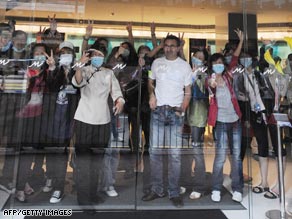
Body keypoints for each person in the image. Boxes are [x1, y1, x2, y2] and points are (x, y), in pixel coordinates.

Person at [142, 34, 192, 208]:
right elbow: (150, 81)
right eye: (167, 45)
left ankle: (174, 192)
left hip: (175, 113)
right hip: (158, 111)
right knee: (154, 152)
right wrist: (151, 94)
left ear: (179, 48)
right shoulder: (157, 63)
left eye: (173, 45)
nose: (169, 48)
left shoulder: (185, 66)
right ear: (163, 47)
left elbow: (188, 91)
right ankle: (157, 189)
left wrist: (183, 108)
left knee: (175, 156)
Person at [72, 46, 124, 206]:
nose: (97, 57)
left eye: (100, 55)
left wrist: (120, 101)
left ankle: (93, 194)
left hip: (103, 120)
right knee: (83, 163)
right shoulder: (84, 69)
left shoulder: (109, 73)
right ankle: (84, 199)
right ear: (89, 56)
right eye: (94, 54)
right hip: (84, 119)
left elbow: (117, 92)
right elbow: (78, 83)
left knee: (97, 162)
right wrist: (80, 65)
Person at [41, 41, 78, 203]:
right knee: (51, 150)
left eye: (68, 54)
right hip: (52, 115)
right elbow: (51, 86)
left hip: (68, 117)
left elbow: (79, 88)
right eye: (62, 54)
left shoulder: (77, 71)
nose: (65, 57)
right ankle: (50, 176)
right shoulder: (53, 70)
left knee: (62, 152)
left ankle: (58, 188)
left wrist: (71, 71)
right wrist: (53, 68)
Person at [208, 53, 243, 203]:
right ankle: (216, 188)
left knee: (236, 156)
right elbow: (210, 86)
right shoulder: (210, 79)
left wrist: (241, 42)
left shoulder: (229, 76)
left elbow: (235, 60)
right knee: (220, 157)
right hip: (221, 121)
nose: (218, 65)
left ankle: (238, 188)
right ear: (211, 65)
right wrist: (212, 84)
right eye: (215, 63)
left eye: (221, 62)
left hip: (235, 119)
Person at [187, 48, 209, 199]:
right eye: (196, 57)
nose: (197, 60)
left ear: (204, 61)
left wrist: (196, 75)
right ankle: (184, 182)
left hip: (198, 116)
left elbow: (202, 92)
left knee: (197, 151)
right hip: (183, 115)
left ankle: (199, 186)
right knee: (183, 153)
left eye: (200, 58)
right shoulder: (187, 71)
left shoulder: (205, 75)